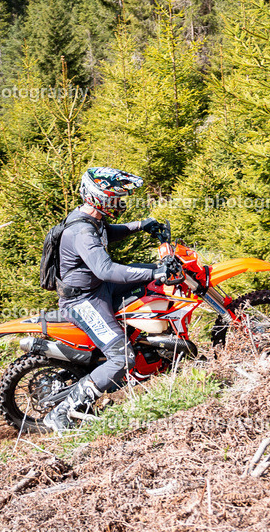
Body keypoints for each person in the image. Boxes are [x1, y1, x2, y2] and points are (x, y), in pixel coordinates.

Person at [43, 166, 173, 432]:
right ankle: (61, 413)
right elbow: (107, 269)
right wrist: (157, 269)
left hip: (99, 288)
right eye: (115, 198)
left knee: (149, 283)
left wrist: (140, 226)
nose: (120, 203)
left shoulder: (91, 218)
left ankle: (152, 349)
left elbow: (107, 233)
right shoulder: (81, 231)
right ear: (98, 197)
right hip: (83, 301)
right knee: (122, 357)